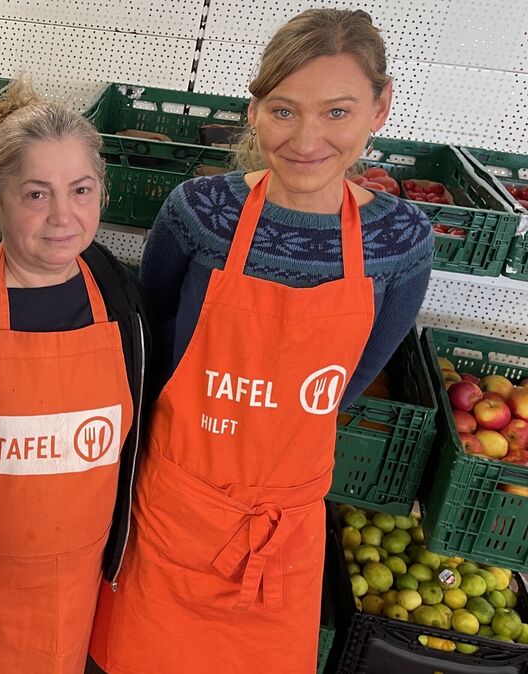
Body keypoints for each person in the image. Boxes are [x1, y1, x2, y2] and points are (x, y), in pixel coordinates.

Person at [88, 8, 434, 673]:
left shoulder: (402, 241)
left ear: (380, 108)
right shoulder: (199, 213)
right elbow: (150, 346)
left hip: (282, 533)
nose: (307, 138)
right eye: (283, 110)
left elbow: (352, 379)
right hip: (171, 515)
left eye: (337, 112)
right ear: (254, 111)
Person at [0, 80, 151, 674]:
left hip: (73, 598)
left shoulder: (120, 298)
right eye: (36, 194)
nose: (63, 217)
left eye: (81, 190)